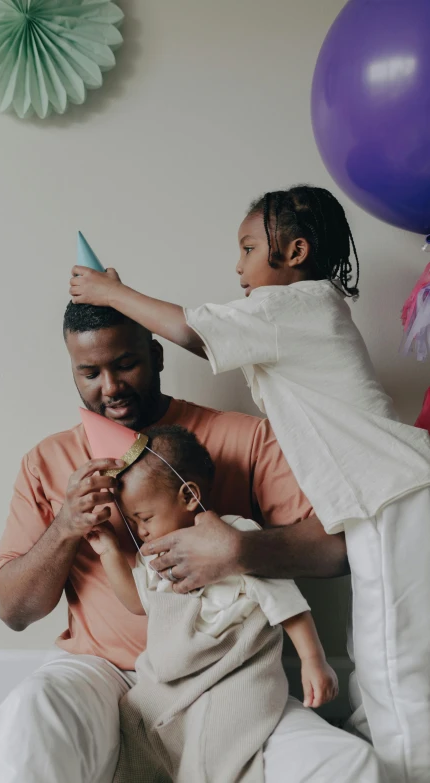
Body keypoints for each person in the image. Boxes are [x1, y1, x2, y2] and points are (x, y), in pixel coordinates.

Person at [70, 184, 430, 783]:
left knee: (396, 659)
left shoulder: (300, 306)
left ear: (294, 251)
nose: (237, 266)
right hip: (380, 497)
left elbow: (190, 328)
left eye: (247, 249)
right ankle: (385, 763)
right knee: (378, 652)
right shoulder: (295, 320)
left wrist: (111, 293)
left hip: (394, 493)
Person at [0, 301, 382, 783]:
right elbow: (14, 611)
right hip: (103, 672)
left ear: (156, 354)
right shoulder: (46, 460)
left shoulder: (244, 437)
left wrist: (239, 550)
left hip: (228, 677)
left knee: (347, 765)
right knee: (27, 717)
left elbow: (339, 550)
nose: (109, 387)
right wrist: (66, 527)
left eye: (125, 364)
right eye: (89, 373)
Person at [87, 423, 338, 782]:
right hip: (175, 676)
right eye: (132, 522)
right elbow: (140, 603)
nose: (140, 531)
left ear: (189, 496)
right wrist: (110, 551)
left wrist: (314, 661)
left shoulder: (236, 537)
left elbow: (286, 602)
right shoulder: (155, 554)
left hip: (236, 673)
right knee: (135, 719)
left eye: (144, 518)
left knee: (213, 746)